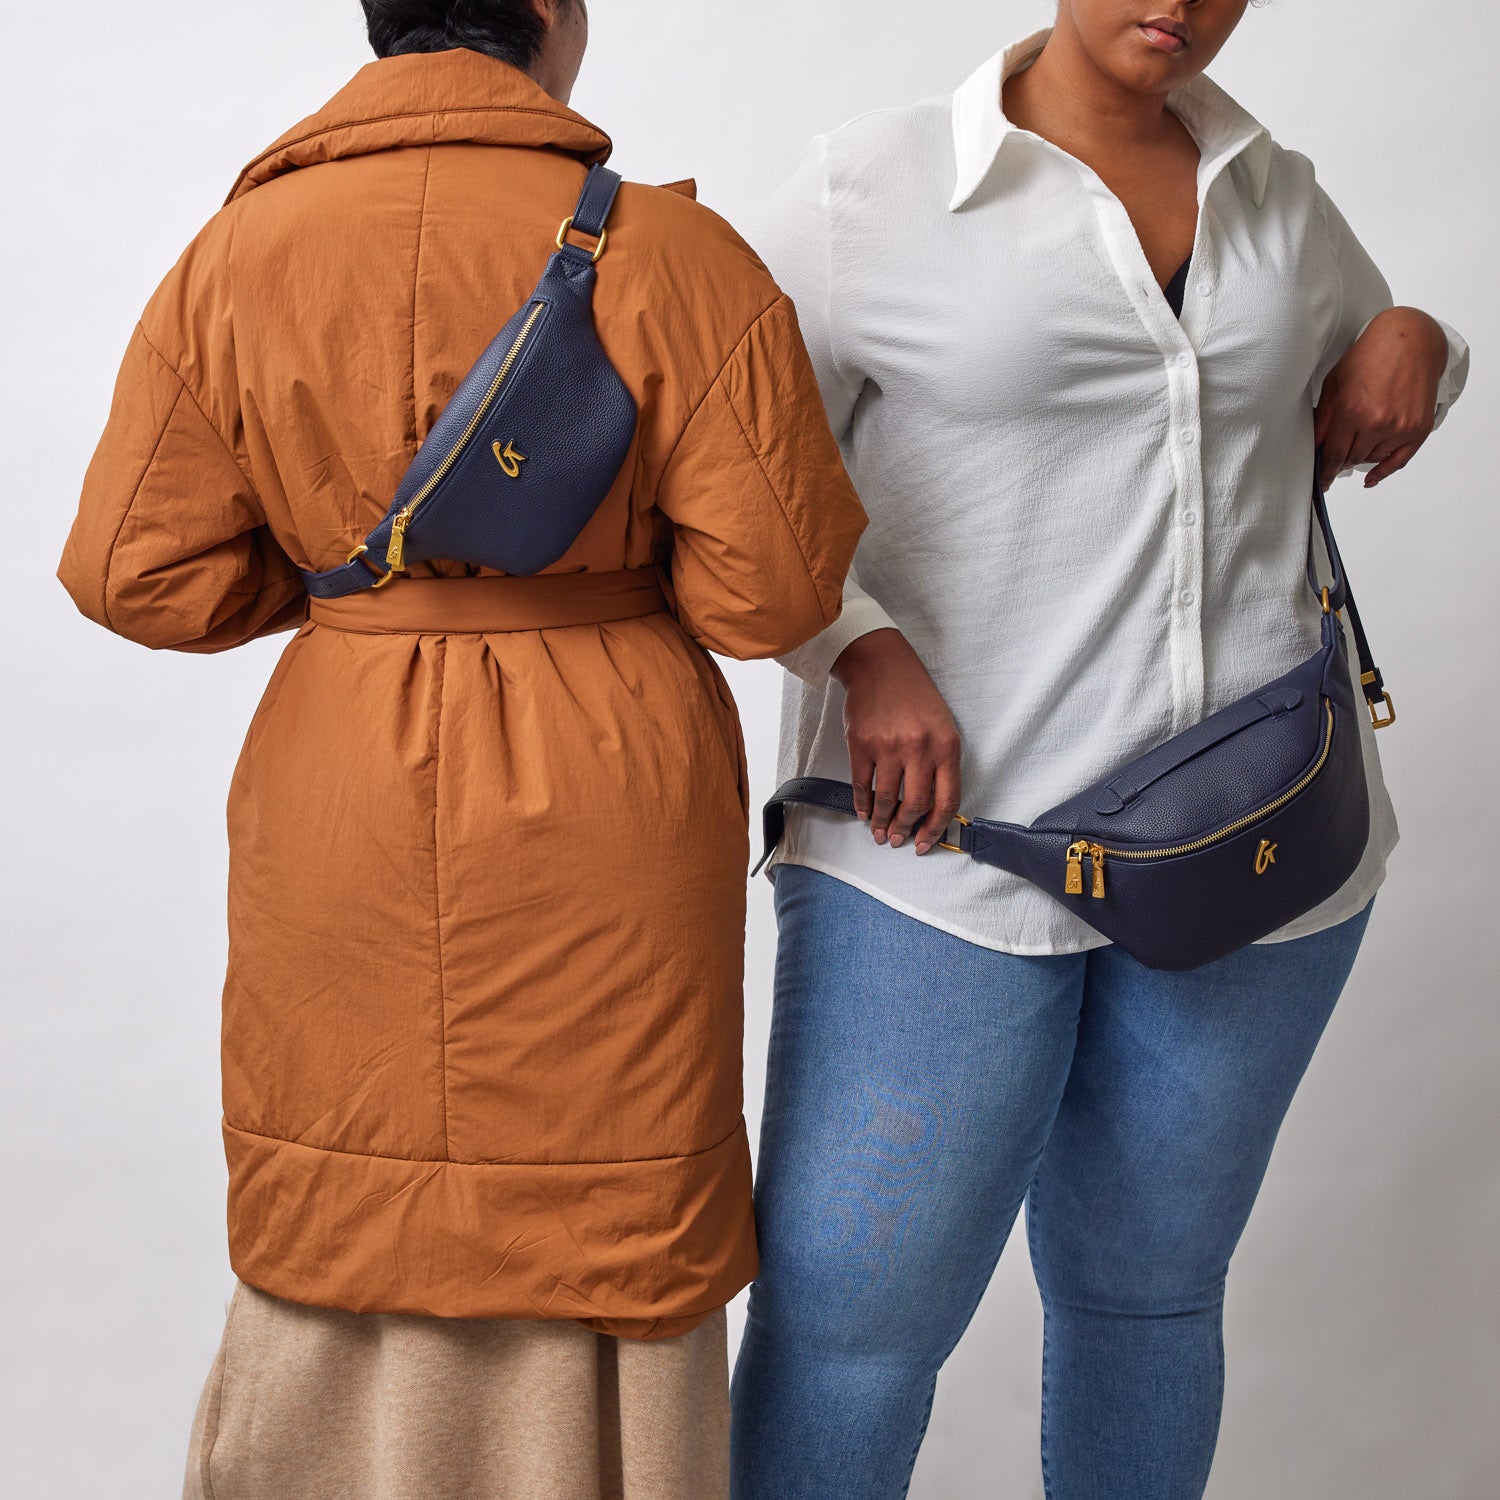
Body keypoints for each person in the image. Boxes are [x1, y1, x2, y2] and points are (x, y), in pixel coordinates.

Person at [56, 1, 866, 1495]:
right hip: (609, 777)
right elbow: (776, 593)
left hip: (345, 767)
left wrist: (361, 596)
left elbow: (130, 570)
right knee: (608, 1185)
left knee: (341, 1174)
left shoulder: (237, 255)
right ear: (552, 15)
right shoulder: (674, 256)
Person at [733, 2, 1468, 1496]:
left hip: (1257, 856)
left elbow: (1368, 368)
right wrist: (858, 647)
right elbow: (735, 478)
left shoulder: (1273, 187)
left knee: (1150, 1296)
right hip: (942, 859)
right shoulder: (857, 194)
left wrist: (1422, 340)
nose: (1179, 4)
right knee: (849, 1328)